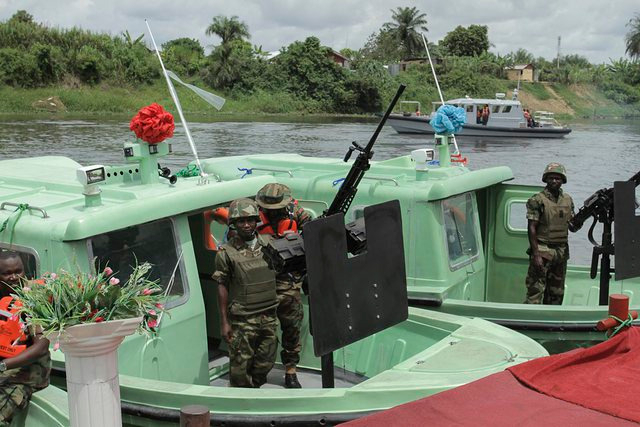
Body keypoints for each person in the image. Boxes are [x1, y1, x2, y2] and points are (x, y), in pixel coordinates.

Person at [212, 199, 278, 388]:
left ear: (257, 220)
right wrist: (224, 322)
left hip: (268, 314)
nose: (247, 225)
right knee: (240, 366)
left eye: (250, 220)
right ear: (233, 223)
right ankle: (243, 399)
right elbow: (221, 285)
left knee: (267, 359)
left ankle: (254, 388)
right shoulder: (225, 253)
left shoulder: (269, 244)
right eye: (241, 221)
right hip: (242, 318)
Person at [255, 183, 311, 389]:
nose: (272, 211)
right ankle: (259, 370)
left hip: (288, 281)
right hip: (260, 281)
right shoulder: (251, 215)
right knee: (262, 329)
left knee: (292, 327)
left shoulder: (297, 214)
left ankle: (290, 370)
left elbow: (313, 238)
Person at [0, 250, 50, 425]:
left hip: (27, 373)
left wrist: (3, 366)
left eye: (18, 271)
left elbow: (42, 345)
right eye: (6, 273)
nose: (13, 277)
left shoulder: (33, 299)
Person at [524, 163, 575, 305]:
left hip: (561, 252)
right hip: (543, 250)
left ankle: (552, 323)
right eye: (551, 178)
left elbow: (572, 225)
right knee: (535, 291)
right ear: (546, 179)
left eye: (558, 178)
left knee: (556, 293)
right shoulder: (537, 200)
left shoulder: (568, 200)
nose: (554, 181)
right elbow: (532, 227)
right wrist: (536, 254)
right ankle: (530, 322)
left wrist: (578, 222)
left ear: (562, 180)